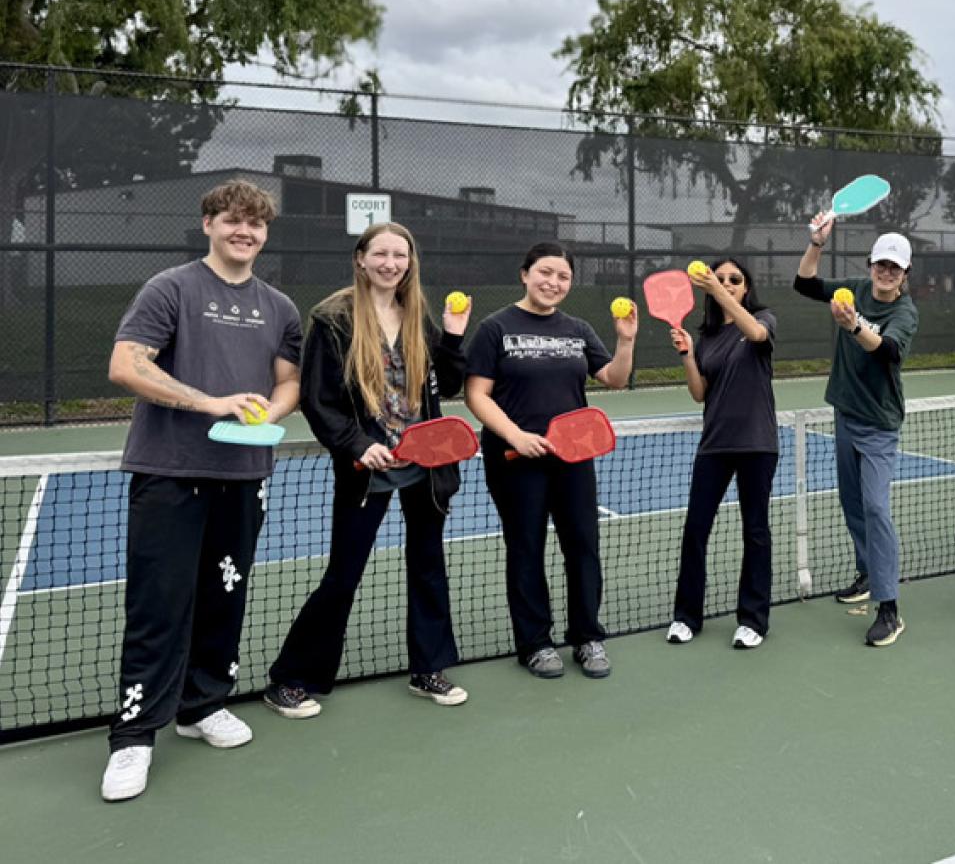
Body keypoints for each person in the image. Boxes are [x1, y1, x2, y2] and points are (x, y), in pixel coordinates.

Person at [101, 180, 302, 802]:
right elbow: (126, 363)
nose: (246, 232)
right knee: (160, 606)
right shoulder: (171, 288)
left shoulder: (280, 307)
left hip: (243, 478)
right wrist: (208, 402)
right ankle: (134, 736)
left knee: (224, 597)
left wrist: (270, 410)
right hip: (169, 470)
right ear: (209, 223)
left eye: (257, 224)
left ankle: (203, 704)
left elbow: (289, 380)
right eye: (234, 221)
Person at [262, 223, 472, 720]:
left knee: (428, 567)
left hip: (425, 464)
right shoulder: (332, 318)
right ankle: (291, 679)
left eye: (400, 254)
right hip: (368, 468)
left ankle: (430, 669)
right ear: (361, 258)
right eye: (381, 253)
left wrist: (455, 336)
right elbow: (318, 399)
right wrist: (359, 445)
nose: (391, 263)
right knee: (344, 573)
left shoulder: (417, 313)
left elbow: (451, 383)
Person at [465, 241, 636, 679]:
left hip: (574, 456)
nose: (552, 282)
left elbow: (615, 380)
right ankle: (535, 643)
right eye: (544, 272)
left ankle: (588, 636)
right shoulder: (495, 327)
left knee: (583, 546)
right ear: (525, 274)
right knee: (526, 549)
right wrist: (516, 436)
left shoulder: (577, 329)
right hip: (514, 458)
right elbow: (476, 394)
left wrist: (625, 340)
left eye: (562, 276)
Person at [794, 213, 919, 647]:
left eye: (894, 267)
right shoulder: (858, 289)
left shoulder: (904, 311)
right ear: (871, 265)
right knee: (852, 503)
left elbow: (887, 350)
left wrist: (853, 325)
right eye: (880, 264)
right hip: (845, 414)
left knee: (877, 509)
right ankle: (867, 571)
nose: (885, 273)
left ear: (905, 274)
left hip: (880, 424)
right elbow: (805, 284)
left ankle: (889, 608)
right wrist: (817, 243)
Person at [665, 258, 779, 649]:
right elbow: (700, 393)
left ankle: (753, 620)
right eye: (722, 278)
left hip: (757, 443)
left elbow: (757, 334)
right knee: (696, 529)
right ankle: (686, 617)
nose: (727, 283)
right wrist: (687, 354)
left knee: (755, 531)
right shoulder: (709, 337)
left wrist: (716, 290)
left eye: (735, 280)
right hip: (714, 444)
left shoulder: (762, 319)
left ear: (746, 288)